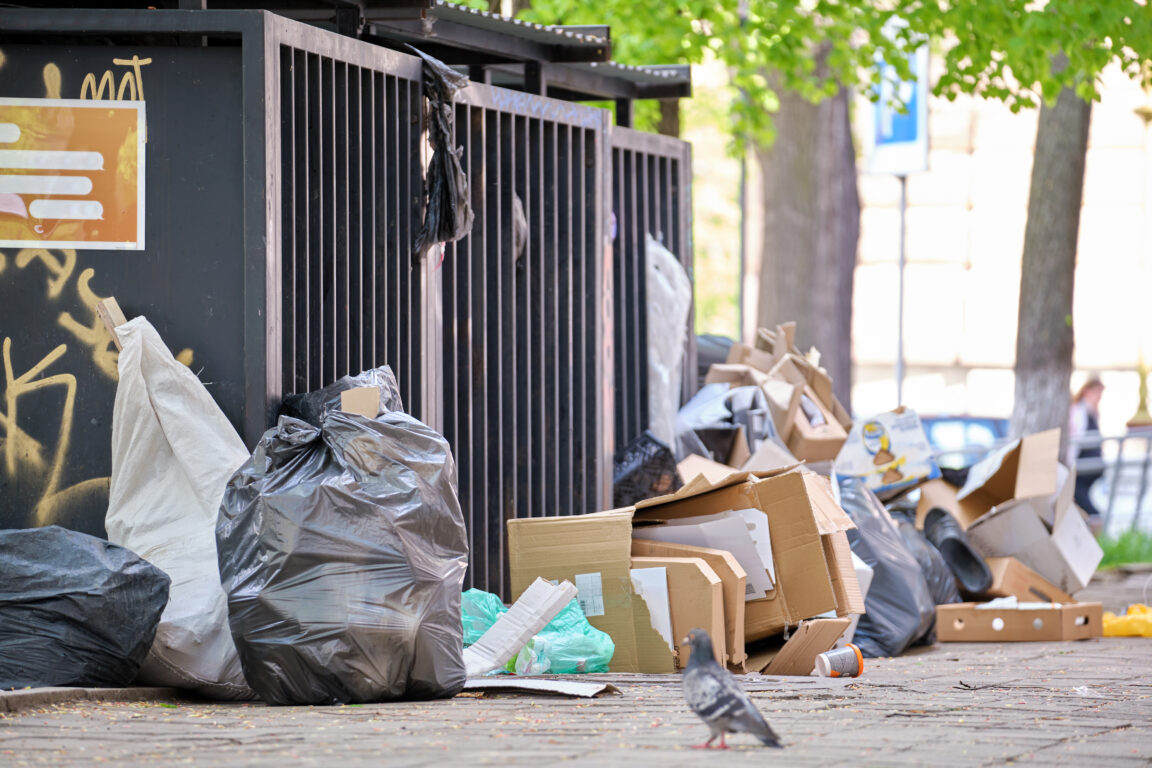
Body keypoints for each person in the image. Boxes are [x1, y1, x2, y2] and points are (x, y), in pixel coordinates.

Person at [1067, 377, 1105, 521]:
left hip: (1090, 471)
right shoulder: (1079, 412)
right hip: (1081, 469)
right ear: (1087, 391)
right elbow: (1075, 441)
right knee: (1088, 509)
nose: (1099, 397)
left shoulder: (1092, 412)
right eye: (1097, 393)